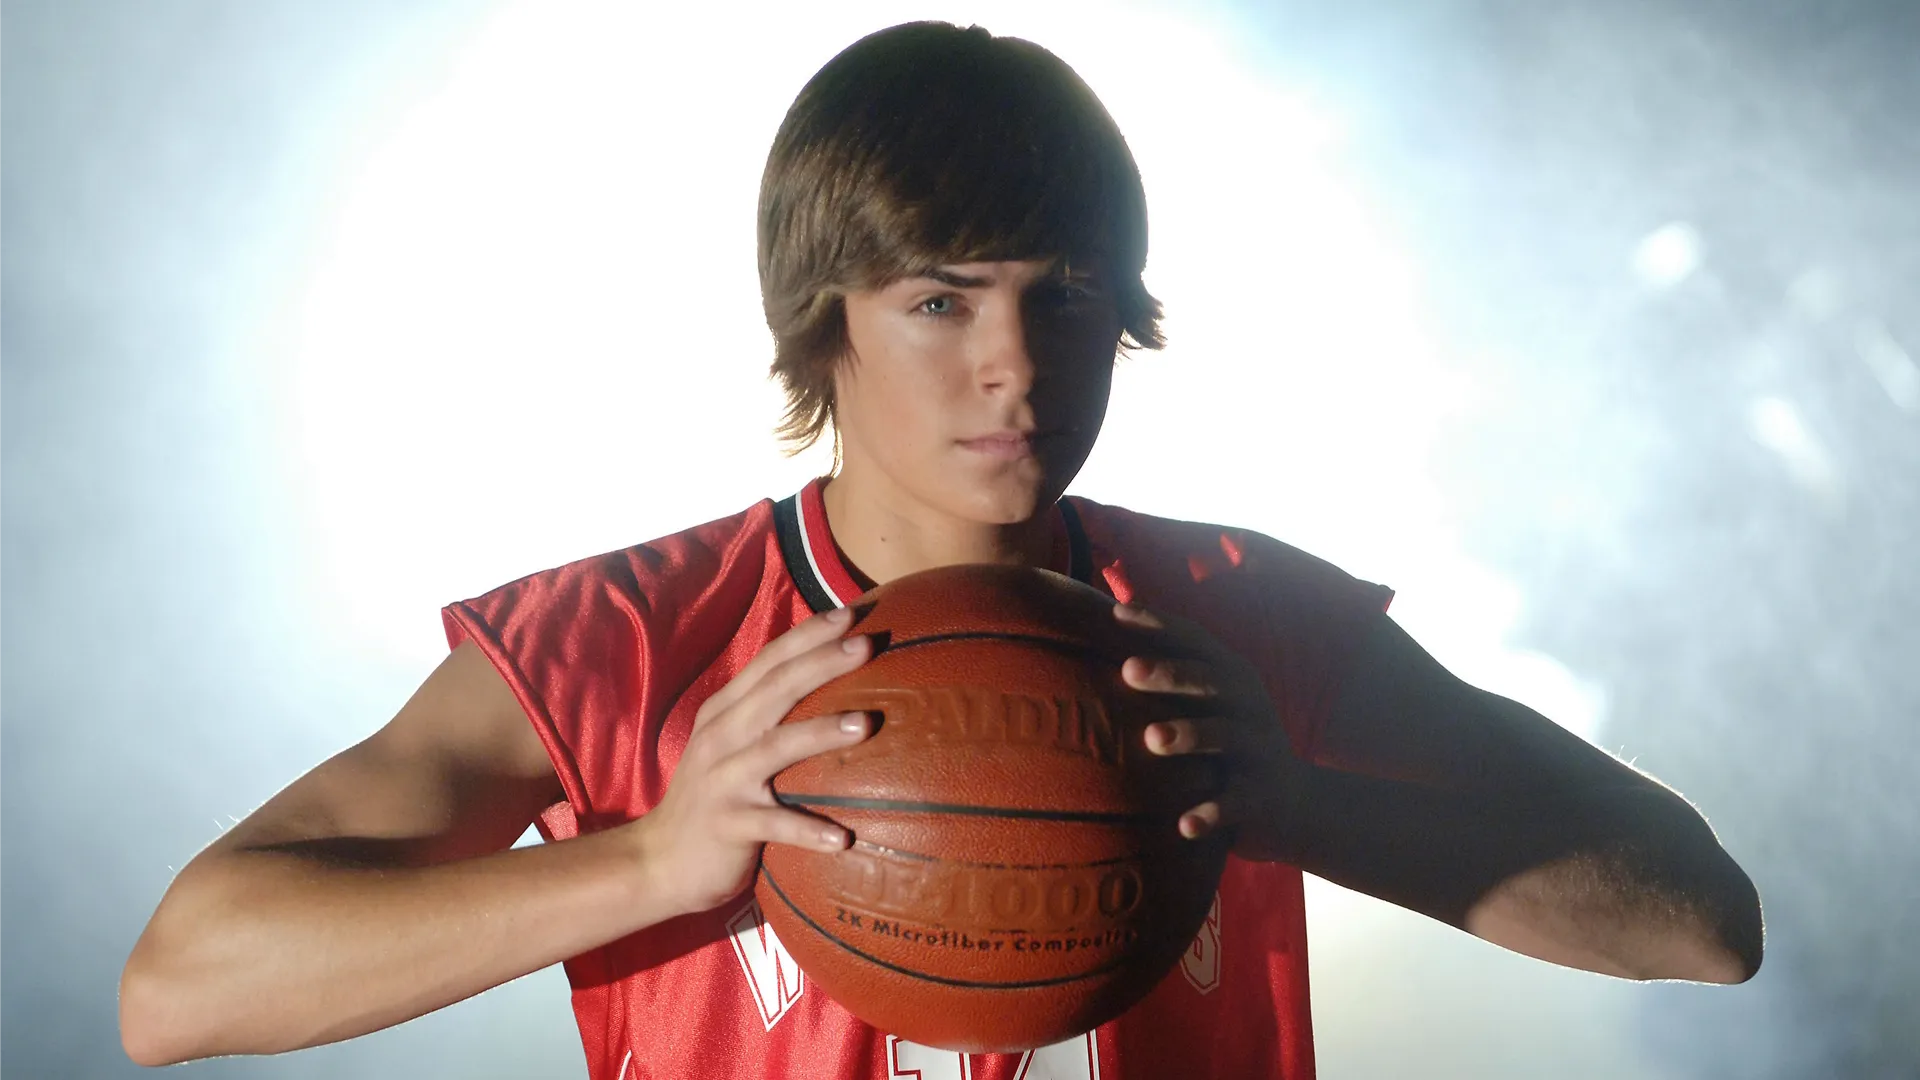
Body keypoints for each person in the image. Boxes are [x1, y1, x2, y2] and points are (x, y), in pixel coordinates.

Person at [118, 20, 1763, 1079]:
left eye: (1070, 299)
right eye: (940, 299)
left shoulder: (1238, 626)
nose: (1016, 364)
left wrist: (1305, 806)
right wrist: (647, 864)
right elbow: (179, 988)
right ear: (817, 325)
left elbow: (1702, 917)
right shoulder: (624, 642)